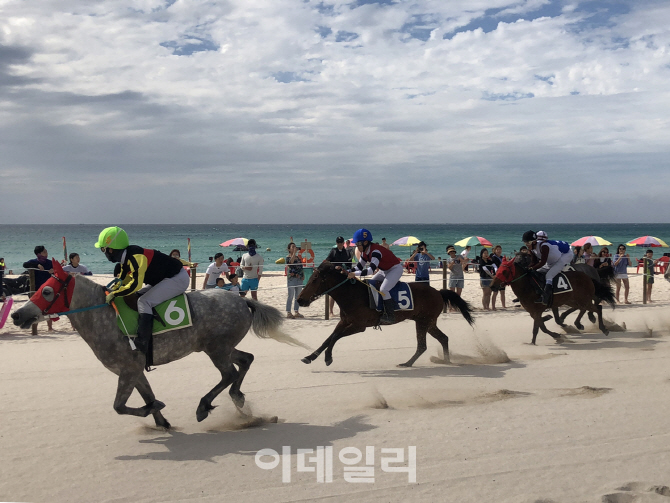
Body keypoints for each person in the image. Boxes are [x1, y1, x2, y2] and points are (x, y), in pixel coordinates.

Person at [95, 226, 189, 357]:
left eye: (103, 249)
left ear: (111, 249)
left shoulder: (135, 257)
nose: (104, 253)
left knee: (144, 301)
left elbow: (135, 285)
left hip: (177, 279)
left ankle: (143, 341)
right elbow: (123, 279)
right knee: (137, 297)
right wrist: (111, 289)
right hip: (164, 279)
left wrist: (115, 293)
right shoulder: (126, 258)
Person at [347, 228, 403, 324]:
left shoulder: (375, 251)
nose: (357, 246)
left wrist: (353, 274)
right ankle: (378, 309)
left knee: (383, 289)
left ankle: (390, 315)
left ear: (365, 242)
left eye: (358, 244)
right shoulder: (365, 252)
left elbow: (370, 271)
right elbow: (358, 267)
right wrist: (346, 271)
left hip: (395, 269)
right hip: (385, 270)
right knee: (372, 283)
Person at [523, 230, 573, 305]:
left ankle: (546, 298)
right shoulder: (532, 249)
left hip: (565, 255)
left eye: (528, 243)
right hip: (552, 260)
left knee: (549, 275)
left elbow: (542, 262)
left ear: (534, 242)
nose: (526, 245)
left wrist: (532, 268)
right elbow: (534, 262)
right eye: (525, 243)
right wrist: (527, 268)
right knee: (537, 272)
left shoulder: (544, 246)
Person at [23, 246, 55, 331]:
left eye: (46, 252)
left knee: (49, 308)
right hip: (36, 289)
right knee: (35, 309)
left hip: (47, 289)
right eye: (44, 252)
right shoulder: (33, 262)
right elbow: (25, 265)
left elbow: (58, 270)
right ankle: (35, 329)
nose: (46, 253)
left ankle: (50, 327)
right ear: (39, 254)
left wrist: (53, 271)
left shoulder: (50, 262)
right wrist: (37, 265)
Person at [325, 236, 353, 316]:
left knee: (344, 294)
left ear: (343, 243)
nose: (340, 244)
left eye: (341, 242)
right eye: (338, 242)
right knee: (333, 294)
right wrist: (334, 267)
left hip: (344, 275)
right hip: (334, 275)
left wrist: (348, 271)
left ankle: (343, 311)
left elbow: (349, 263)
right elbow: (327, 261)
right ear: (336, 243)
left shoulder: (347, 252)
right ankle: (331, 311)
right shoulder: (333, 251)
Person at [285, 242, 304, 318]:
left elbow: (300, 267)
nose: (294, 248)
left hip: (299, 278)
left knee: (298, 296)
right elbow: (290, 263)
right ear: (289, 249)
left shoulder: (298, 258)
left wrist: (303, 275)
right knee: (291, 295)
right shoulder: (288, 257)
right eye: (292, 247)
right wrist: (294, 254)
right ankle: (288, 312)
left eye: (295, 247)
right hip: (292, 279)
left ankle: (296, 311)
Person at [490, 245, 506, 310]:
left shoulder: (502, 258)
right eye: (497, 250)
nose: (499, 251)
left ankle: (504, 305)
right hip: (496, 276)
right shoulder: (493, 258)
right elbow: (495, 266)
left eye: (500, 249)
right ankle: (493, 306)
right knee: (495, 292)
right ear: (495, 250)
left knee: (502, 292)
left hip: (502, 276)